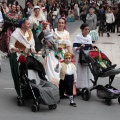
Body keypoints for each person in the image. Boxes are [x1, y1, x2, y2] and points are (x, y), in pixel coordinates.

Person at [9, 18, 35, 96]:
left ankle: (30, 91)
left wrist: (32, 48)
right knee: (18, 75)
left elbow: (32, 43)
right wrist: (14, 48)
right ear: (23, 25)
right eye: (28, 24)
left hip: (28, 55)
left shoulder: (30, 32)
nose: (29, 25)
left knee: (30, 73)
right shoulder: (15, 34)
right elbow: (11, 45)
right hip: (17, 56)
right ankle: (20, 93)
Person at [73, 23, 94, 89]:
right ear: (82, 30)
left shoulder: (89, 37)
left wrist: (92, 46)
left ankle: (88, 85)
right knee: (81, 70)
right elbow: (74, 47)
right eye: (85, 29)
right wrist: (79, 47)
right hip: (80, 56)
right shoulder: (78, 37)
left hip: (87, 56)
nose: (87, 31)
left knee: (88, 69)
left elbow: (90, 47)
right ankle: (80, 85)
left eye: (88, 29)